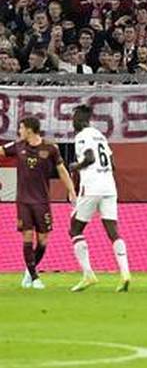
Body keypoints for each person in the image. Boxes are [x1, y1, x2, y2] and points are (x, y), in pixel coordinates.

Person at [4, 117, 78, 290]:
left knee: (43, 240)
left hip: (42, 201)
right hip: (23, 201)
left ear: (29, 129)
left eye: (21, 128)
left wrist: (71, 190)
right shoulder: (18, 146)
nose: (19, 131)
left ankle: (29, 271)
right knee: (27, 235)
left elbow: (61, 170)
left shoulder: (50, 148)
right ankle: (35, 277)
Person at [67, 105, 132, 292]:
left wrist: (76, 167)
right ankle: (125, 273)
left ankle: (88, 275)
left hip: (92, 186)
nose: (72, 123)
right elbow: (112, 163)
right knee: (112, 230)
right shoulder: (100, 135)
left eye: (73, 119)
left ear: (79, 120)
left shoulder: (82, 136)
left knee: (74, 228)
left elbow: (89, 158)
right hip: (109, 186)